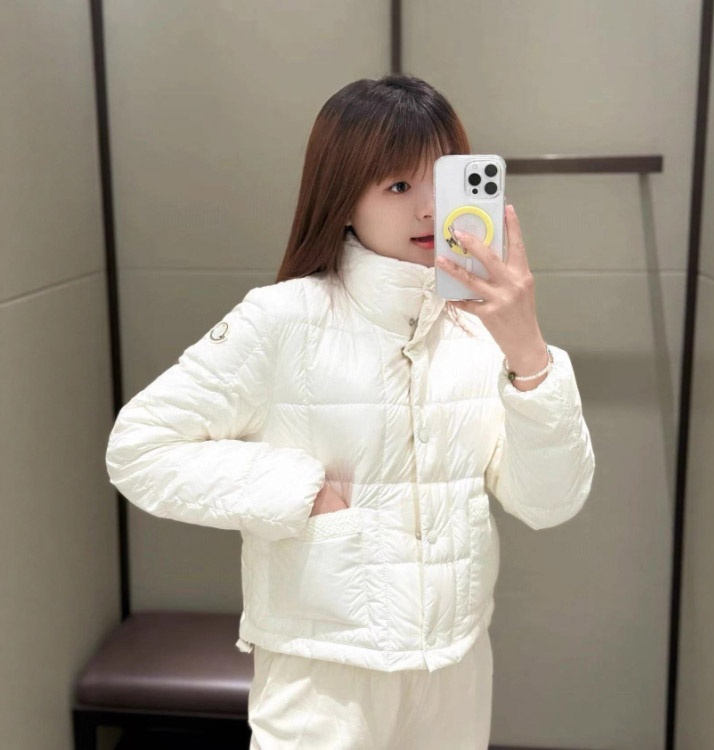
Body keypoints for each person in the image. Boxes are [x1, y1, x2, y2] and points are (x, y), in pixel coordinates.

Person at [105, 74, 595, 749]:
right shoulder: (282, 320)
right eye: (398, 186)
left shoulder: (483, 331)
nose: (429, 209)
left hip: (454, 671)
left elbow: (550, 502)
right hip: (323, 678)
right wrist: (299, 492)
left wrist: (529, 351)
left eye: (442, 180)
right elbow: (139, 448)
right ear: (343, 198)